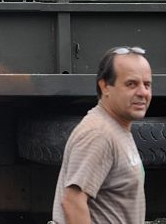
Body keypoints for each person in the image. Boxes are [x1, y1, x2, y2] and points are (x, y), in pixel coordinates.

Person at [52, 46, 152, 223]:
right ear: (105, 86)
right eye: (131, 84)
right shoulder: (99, 134)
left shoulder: (116, 128)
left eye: (147, 84)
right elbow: (73, 202)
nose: (143, 92)